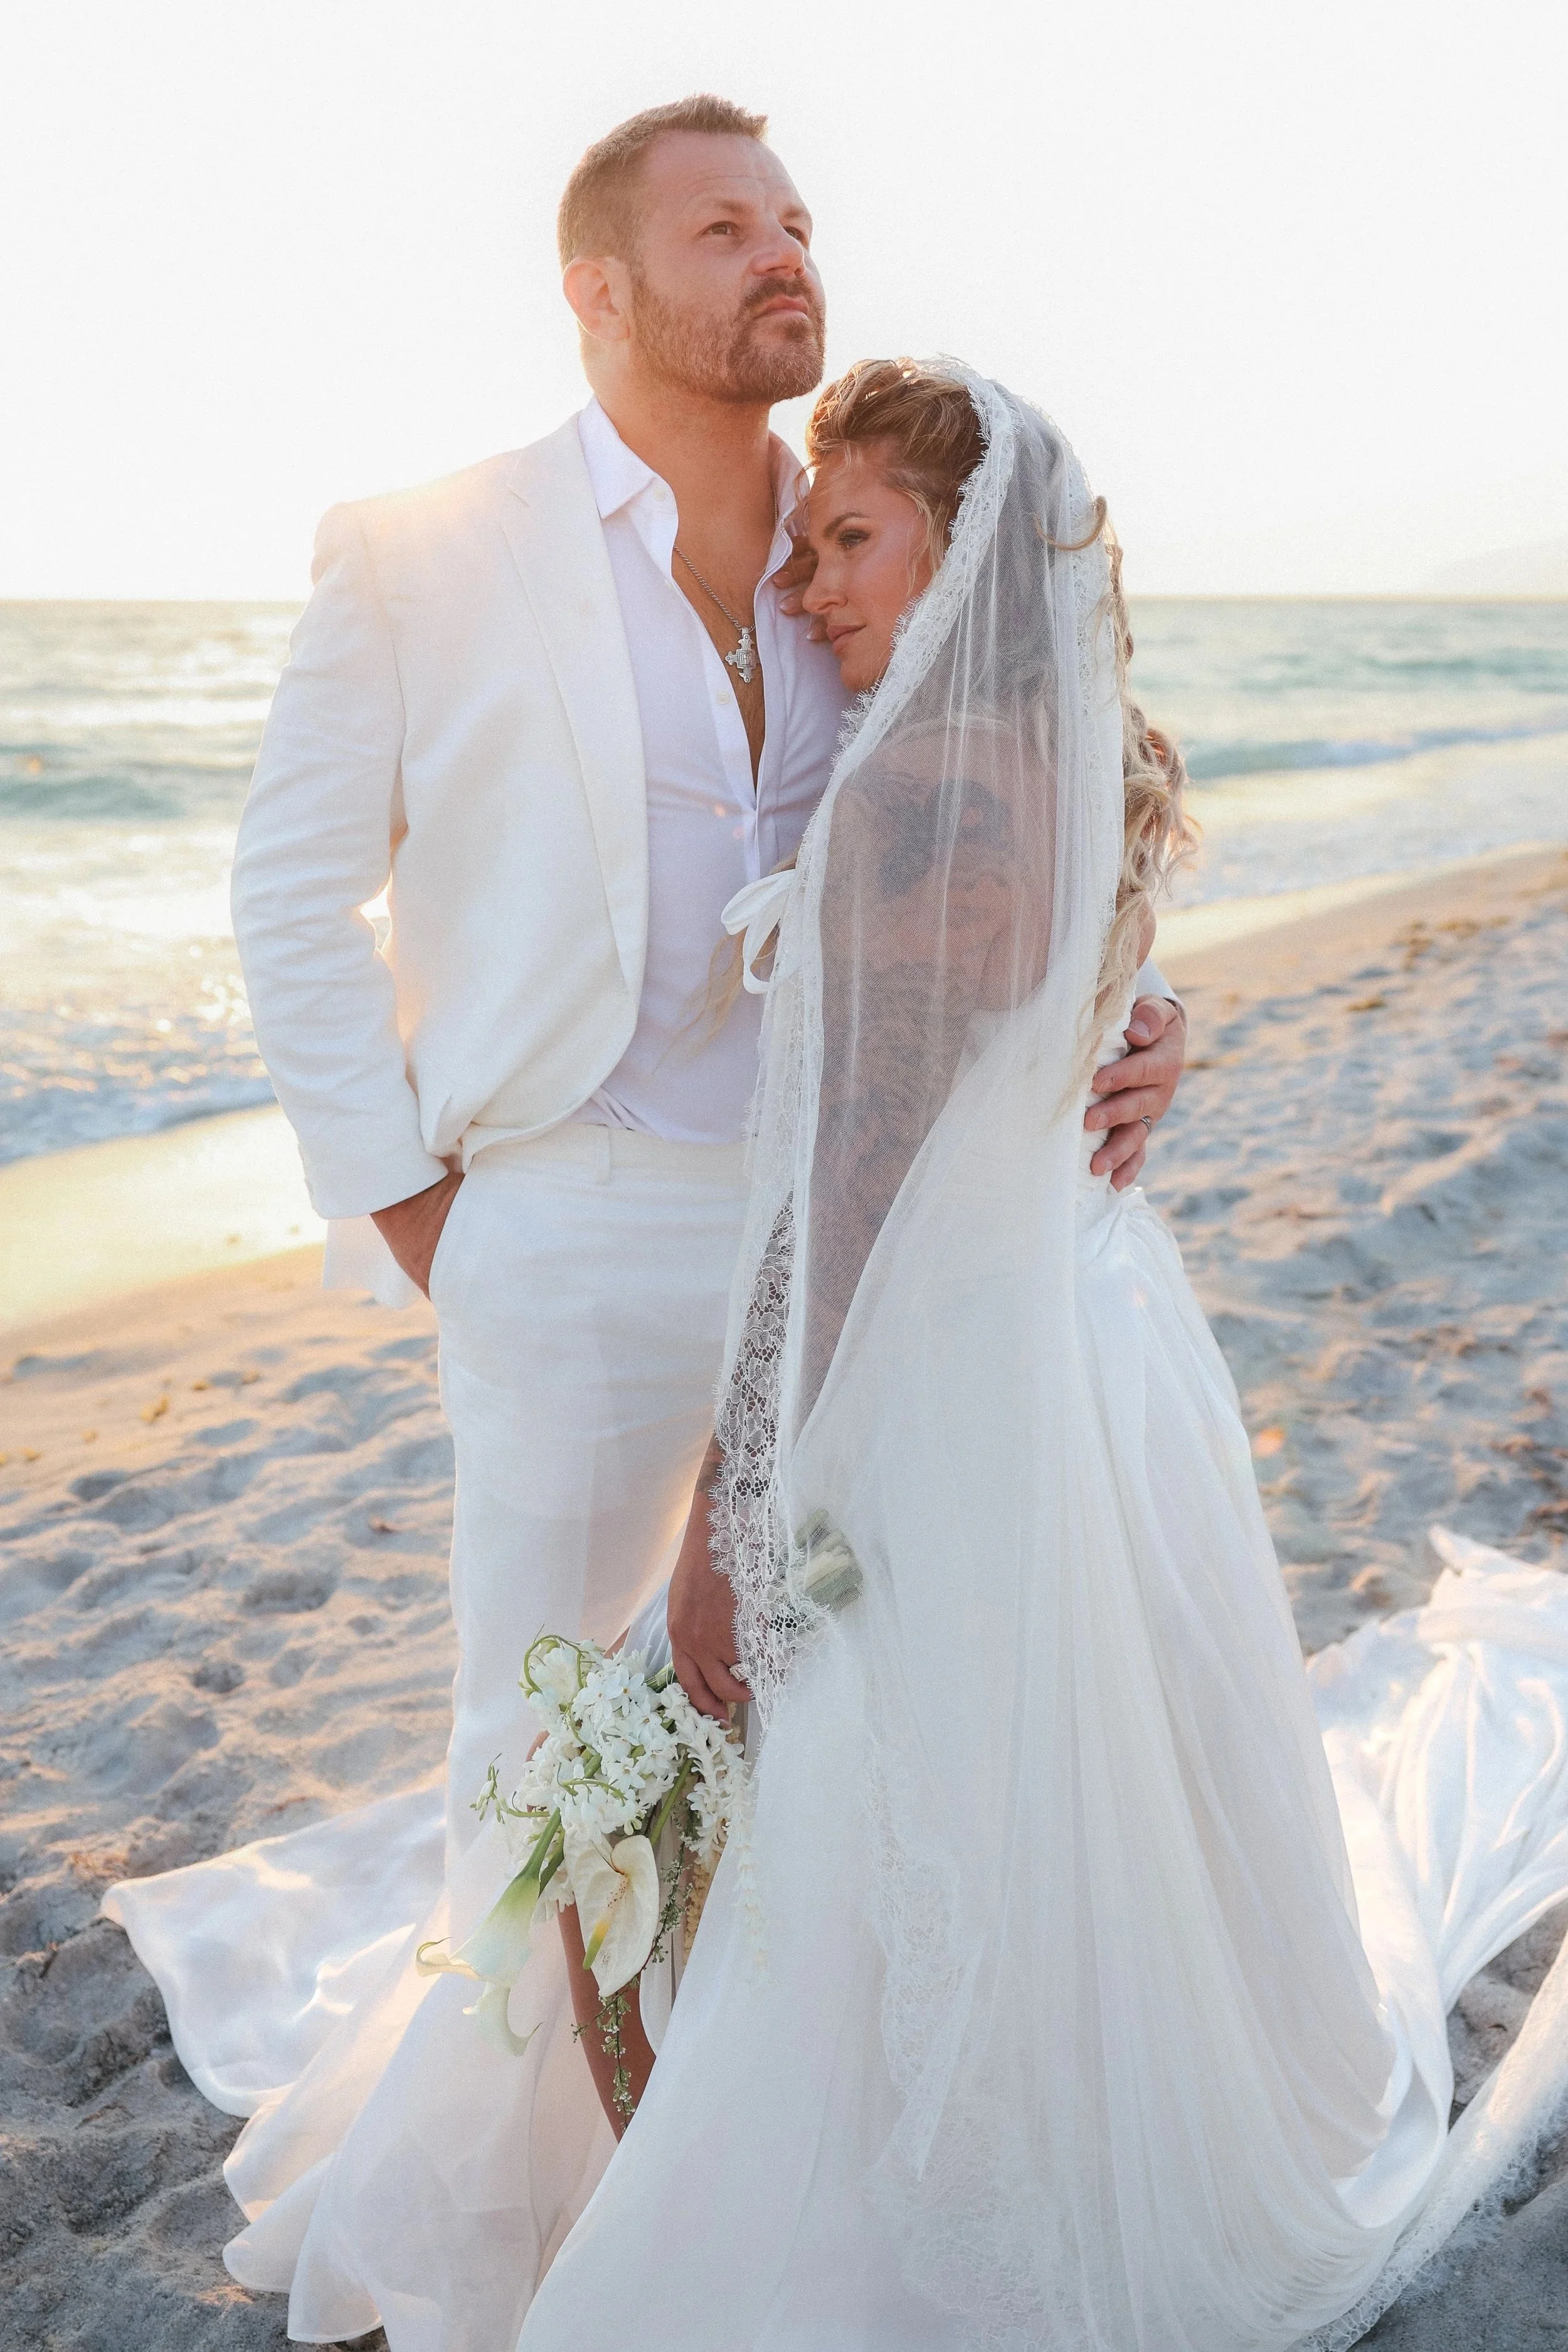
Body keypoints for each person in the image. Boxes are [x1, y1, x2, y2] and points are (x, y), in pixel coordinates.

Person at [101, 102, 1186, 2349]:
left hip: (855, 1248)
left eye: (795, 218)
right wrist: (412, 1204)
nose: (785, 252)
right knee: (557, 1742)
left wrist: (1142, 1011)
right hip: (564, 1231)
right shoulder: (431, 550)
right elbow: (291, 890)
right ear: (599, 289)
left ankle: (780, 2186)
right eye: (725, 228)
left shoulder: (873, 540)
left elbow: (1007, 821)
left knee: (827, 1745)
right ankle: (544, 2214)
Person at [517, 363, 1568, 2351]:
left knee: (866, 1760)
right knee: (1098, 1760)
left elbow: (843, 1197)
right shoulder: (1079, 752)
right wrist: (1158, 1027)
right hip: (1104, 1336)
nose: (808, 585)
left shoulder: (920, 790)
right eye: (808, 542)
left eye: (850, 542)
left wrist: (724, 1506)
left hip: (966, 1362)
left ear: (964, 550)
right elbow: (1070, 1021)